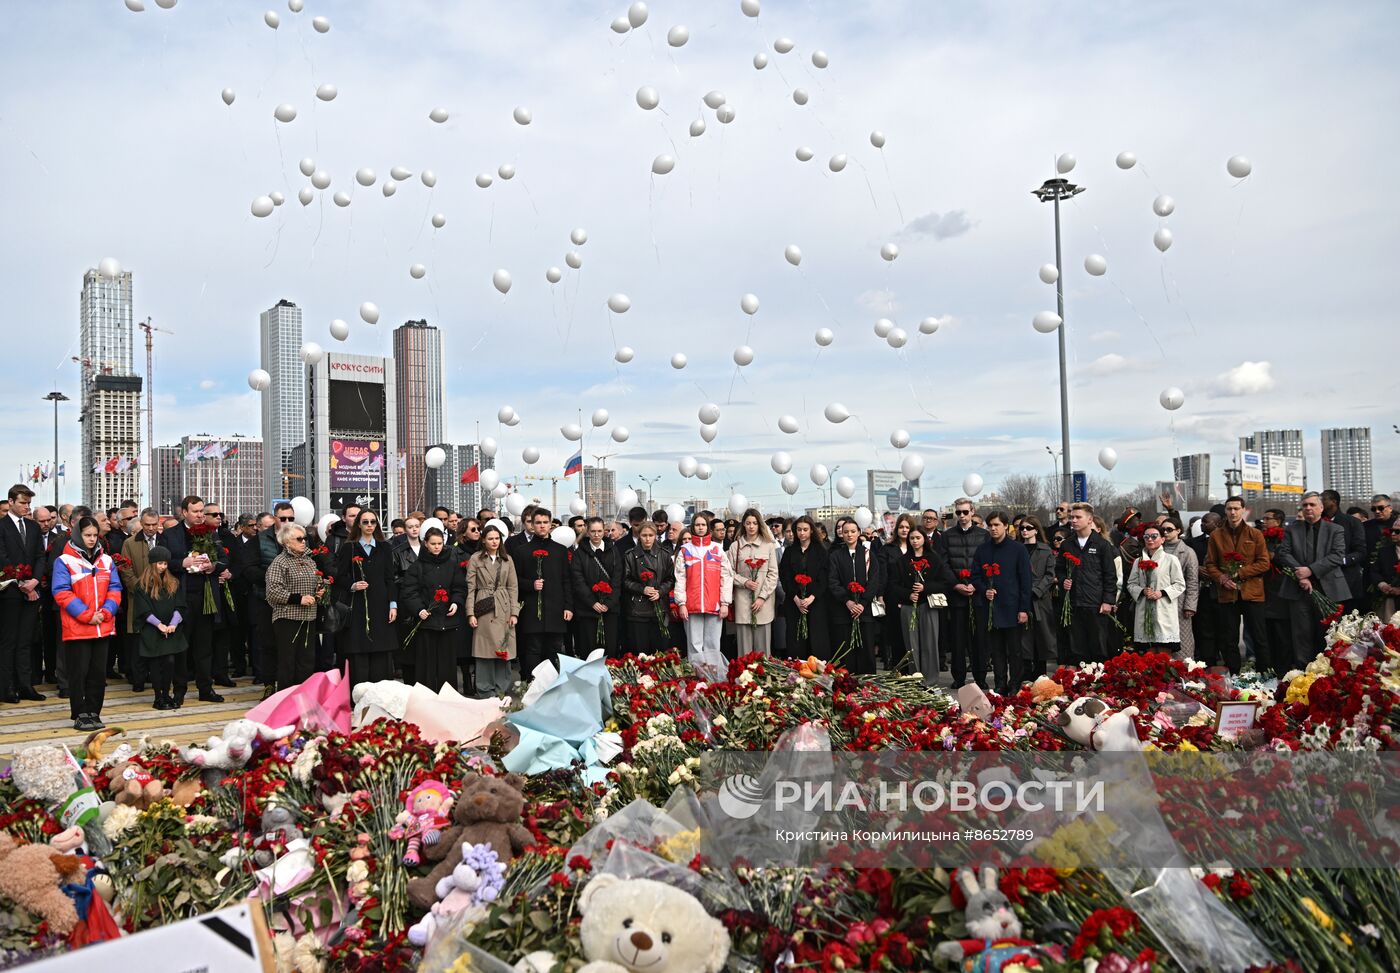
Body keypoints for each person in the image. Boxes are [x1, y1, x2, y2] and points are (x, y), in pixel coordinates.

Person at [51, 516, 122, 730]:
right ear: (77, 535)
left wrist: (107, 612)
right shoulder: (64, 561)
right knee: (78, 673)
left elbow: (115, 588)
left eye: (94, 535)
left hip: (103, 625)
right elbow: (61, 593)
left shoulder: (106, 561)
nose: (92, 539)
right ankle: (80, 712)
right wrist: (87, 615)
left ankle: (94, 712)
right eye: (87, 535)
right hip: (78, 627)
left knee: (98, 673)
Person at [162, 495, 228, 703]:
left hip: (206, 596)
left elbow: (224, 559)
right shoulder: (170, 534)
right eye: (195, 511)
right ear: (184, 512)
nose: (200, 515)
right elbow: (161, 562)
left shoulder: (212, 533)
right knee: (181, 647)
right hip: (182, 597)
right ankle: (179, 690)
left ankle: (205, 689)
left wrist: (214, 567)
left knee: (204, 647)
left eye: (201, 511)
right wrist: (182, 562)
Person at [1201, 497, 1270, 674]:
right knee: (1229, 637)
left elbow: (1264, 563)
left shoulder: (1255, 534)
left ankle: (1265, 673)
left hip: (1252, 592)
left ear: (1243, 510)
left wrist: (1241, 573)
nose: (1233, 512)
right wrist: (1222, 578)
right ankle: (1234, 674)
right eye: (1229, 508)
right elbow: (1210, 564)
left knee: (1259, 636)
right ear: (1225, 511)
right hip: (1227, 593)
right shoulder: (1216, 536)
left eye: (1236, 508)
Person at [333, 509, 398, 688]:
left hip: (381, 605)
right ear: (358, 525)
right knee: (359, 649)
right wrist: (352, 585)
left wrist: (393, 605)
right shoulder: (350, 547)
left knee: (381, 649)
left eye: (373, 522)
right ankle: (358, 695)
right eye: (365, 522)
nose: (369, 525)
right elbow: (340, 576)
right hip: (358, 606)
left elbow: (390, 578)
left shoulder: (385, 547)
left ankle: (381, 694)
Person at [971, 513, 1033, 694]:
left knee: (1014, 650)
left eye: (997, 525)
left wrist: (1024, 609)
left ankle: (1015, 684)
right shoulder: (982, 550)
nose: (993, 528)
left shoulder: (1018, 549)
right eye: (990, 525)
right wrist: (984, 589)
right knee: (996, 649)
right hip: (991, 608)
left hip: (1012, 606)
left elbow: (1025, 581)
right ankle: (1000, 683)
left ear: (1006, 526)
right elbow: (975, 575)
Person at [401, 527, 468, 692]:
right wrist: (419, 609)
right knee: (427, 663)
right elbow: (409, 591)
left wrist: (456, 602)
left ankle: (448, 695)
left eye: (440, 543)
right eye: (433, 544)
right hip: (426, 622)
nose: (437, 547)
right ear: (426, 544)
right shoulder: (417, 566)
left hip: (448, 620)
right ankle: (426, 695)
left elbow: (460, 587)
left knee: (447, 662)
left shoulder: (452, 564)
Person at [264, 520, 324, 695]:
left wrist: (319, 591)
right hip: (287, 618)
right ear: (287, 542)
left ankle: (303, 697)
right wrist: (298, 599)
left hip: (309, 617)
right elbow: (273, 592)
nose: (304, 541)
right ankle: (285, 698)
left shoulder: (309, 560)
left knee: (306, 661)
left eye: (304, 538)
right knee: (288, 662)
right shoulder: (280, 562)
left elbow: (317, 581)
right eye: (299, 539)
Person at [889, 525, 954, 686]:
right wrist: (908, 594)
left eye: (918, 538)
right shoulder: (903, 561)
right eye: (912, 538)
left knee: (929, 642)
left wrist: (926, 587)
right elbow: (894, 585)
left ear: (924, 539)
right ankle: (915, 677)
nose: (915, 541)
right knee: (912, 644)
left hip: (928, 605)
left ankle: (930, 679)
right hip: (908, 606)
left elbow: (945, 582)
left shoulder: (934, 558)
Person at [512, 508, 573, 674]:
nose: (542, 526)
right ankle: (532, 685)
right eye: (538, 522)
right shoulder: (522, 551)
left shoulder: (560, 550)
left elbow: (566, 580)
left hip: (556, 609)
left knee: (553, 649)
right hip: (532, 609)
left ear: (550, 524)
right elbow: (514, 580)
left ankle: (552, 686)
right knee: (532, 649)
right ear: (532, 524)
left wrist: (568, 606)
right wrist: (531, 584)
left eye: (545, 522)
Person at [0, 484, 46, 703]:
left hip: (31, 591)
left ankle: (26, 685)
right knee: (9, 640)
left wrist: (34, 581)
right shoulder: (1, 526)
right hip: (9, 591)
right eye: (22, 503)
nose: (27, 507)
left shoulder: (34, 527)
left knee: (26, 640)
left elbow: (40, 556)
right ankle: (7, 687)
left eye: (28, 503)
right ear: (10, 502)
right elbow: (2, 557)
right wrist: (20, 582)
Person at [1057, 503, 1118, 665]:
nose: (1073, 520)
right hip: (1074, 603)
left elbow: (1110, 576)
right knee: (1077, 648)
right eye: (1072, 517)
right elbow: (1060, 569)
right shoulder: (1067, 544)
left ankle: (1100, 683)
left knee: (1098, 647)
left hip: (1096, 604)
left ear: (1090, 520)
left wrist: (1108, 601)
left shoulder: (1102, 545)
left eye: (1078, 517)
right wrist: (1064, 581)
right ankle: (1081, 684)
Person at [937, 498, 989, 689]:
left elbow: (987, 563)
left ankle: (980, 676)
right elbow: (943, 564)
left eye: (965, 512)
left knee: (979, 639)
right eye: (958, 512)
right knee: (958, 639)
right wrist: (956, 584)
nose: (962, 516)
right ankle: (958, 677)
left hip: (978, 595)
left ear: (972, 512)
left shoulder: (984, 535)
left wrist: (977, 584)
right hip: (957, 595)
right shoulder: (947, 536)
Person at [130, 546, 187, 710]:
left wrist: (173, 624)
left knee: (170, 661)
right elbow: (143, 610)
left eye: (165, 563)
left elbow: (180, 605)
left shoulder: (173, 582)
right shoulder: (142, 585)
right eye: (160, 563)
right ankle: (158, 696)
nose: (163, 566)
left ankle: (167, 694)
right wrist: (159, 624)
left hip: (171, 629)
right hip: (153, 630)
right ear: (153, 563)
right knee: (156, 664)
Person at [466, 523, 519, 697]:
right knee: (484, 651)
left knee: (504, 649)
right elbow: (470, 587)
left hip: (503, 607)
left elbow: (513, 587)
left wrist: (514, 612)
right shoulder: (476, 559)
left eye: (497, 538)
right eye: (490, 538)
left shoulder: (507, 559)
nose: (494, 541)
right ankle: (484, 690)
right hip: (484, 607)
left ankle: (500, 689)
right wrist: (470, 613)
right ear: (483, 540)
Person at [673, 512, 733, 664]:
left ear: (708, 527)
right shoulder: (685, 550)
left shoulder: (717, 549)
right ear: (692, 527)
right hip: (692, 606)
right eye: (697, 525)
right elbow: (680, 578)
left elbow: (726, 577)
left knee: (713, 645)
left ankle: (712, 680)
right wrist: (681, 604)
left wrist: (725, 603)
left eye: (703, 525)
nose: (700, 528)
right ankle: (697, 679)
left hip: (714, 605)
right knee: (694, 645)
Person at [828, 519, 882, 675]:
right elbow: (833, 582)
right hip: (844, 612)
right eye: (846, 532)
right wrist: (848, 601)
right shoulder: (836, 556)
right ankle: (847, 685)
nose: (849, 534)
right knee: (846, 652)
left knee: (866, 651)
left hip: (864, 612)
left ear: (859, 533)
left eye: (852, 531)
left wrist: (862, 603)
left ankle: (868, 687)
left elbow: (874, 580)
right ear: (841, 535)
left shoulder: (868, 554)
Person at [1125, 525, 1187, 652]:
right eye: (1146, 537)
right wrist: (1142, 591)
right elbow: (1131, 584)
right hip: (1144, 608)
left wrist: (1161, 593)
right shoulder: (1138, 561)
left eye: (1154, 536)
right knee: (1148, 653)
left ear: (1163, 539)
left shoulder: (1171, 560)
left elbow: (1180, 584)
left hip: (1164, 610)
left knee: (1164, 653)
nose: (1150, 539)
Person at [727, 509, 779, 656]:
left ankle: (762, 677)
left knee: (763, 651)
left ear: (759, 525)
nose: (751, 526)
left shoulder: (768, 545)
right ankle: (744, 677)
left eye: (755, 523)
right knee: (744, 651)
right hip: (743, 603)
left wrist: (762, 597)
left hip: (764, 603)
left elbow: (773, 573)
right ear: (743, 524)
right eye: (748, 523)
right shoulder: (735, 547)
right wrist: (745, 582)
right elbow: (729, 573)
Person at [779, 516, 831, 661]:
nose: (802, 533)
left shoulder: (821, 551)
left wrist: (811, 598)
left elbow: (824, 577)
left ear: (811, 531)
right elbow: (785, 577)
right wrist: (796, 598)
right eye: (799, 530)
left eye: (805, 530)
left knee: (816, 640)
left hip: (815, 602)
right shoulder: (789, 552)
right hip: (794, 603)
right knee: (796, 641)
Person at [570, 518, 623, 657]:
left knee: (610, 649)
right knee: (589, 649)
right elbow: (578, 580)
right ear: (587, 531)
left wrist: (609, 603)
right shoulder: (579, 553)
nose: (596, 535)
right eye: (593, 531)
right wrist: (592, 602)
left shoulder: (613, 550)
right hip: (587, 609)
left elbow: (617, 579)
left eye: (600, 531)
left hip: (610, 610)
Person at [622, 522, 676, 654]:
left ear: (655, 536)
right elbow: (625, 580)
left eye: (651, 535)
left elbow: (670, 579)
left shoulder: (664, 554)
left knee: (660, 651)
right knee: (640, 651)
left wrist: (661, 591)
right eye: (644, 535)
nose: (647, 538)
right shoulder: (630, 555)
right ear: (639, 536)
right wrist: (642, 589)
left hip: (659, 607)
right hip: (637, 609)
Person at [1019, 516, 1058, 679]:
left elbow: (1050, 575)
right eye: (1022, 528)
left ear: (1036, 529)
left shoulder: (1045, 550)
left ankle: (1041, 672)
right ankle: (1026, 672)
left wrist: (1037, 590)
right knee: (1024, 637)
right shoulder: (1017, 549)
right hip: (1021, 596)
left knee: (1042, 636)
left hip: (1040, 598)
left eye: (1028, 527)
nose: (1025, 531)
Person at [1158, 519, 1200, 662]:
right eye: (1163, 529)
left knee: (1183, 640)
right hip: (1158, 601)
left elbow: (1193, 581)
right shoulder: (1156, 549)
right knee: (1161, 639)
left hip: (1179, 602)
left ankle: (1186, 673)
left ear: (1178, 531)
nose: (1165, 532)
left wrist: (1190, 606)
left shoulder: (1188, 552)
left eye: (1169, 529)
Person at [1320, 489, 1367, 613]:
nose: (1320, 503)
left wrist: (1341, 560)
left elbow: (1360, 551)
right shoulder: (1316, 522)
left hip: (1346, 578)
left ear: (1334, 502)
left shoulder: (1352, 522)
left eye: (1323, 500)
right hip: (1321, 578)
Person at [392, 514, 425, 684]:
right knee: (408, 642)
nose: (414, 529)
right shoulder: (399, 551)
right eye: (410, 526)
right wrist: (412, 581)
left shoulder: (427, 548)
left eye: (417, 526)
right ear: (405, 530)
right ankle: (409, 680)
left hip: (426, 600)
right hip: (407, 600)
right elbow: (394, 577)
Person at [1373, 524, 1400, 620]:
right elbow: (1374, 572)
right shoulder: (1384, 551)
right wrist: (1382, 585)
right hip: (1389, 601)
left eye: (1397, 532)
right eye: (1392, 530)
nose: (1392, 534)